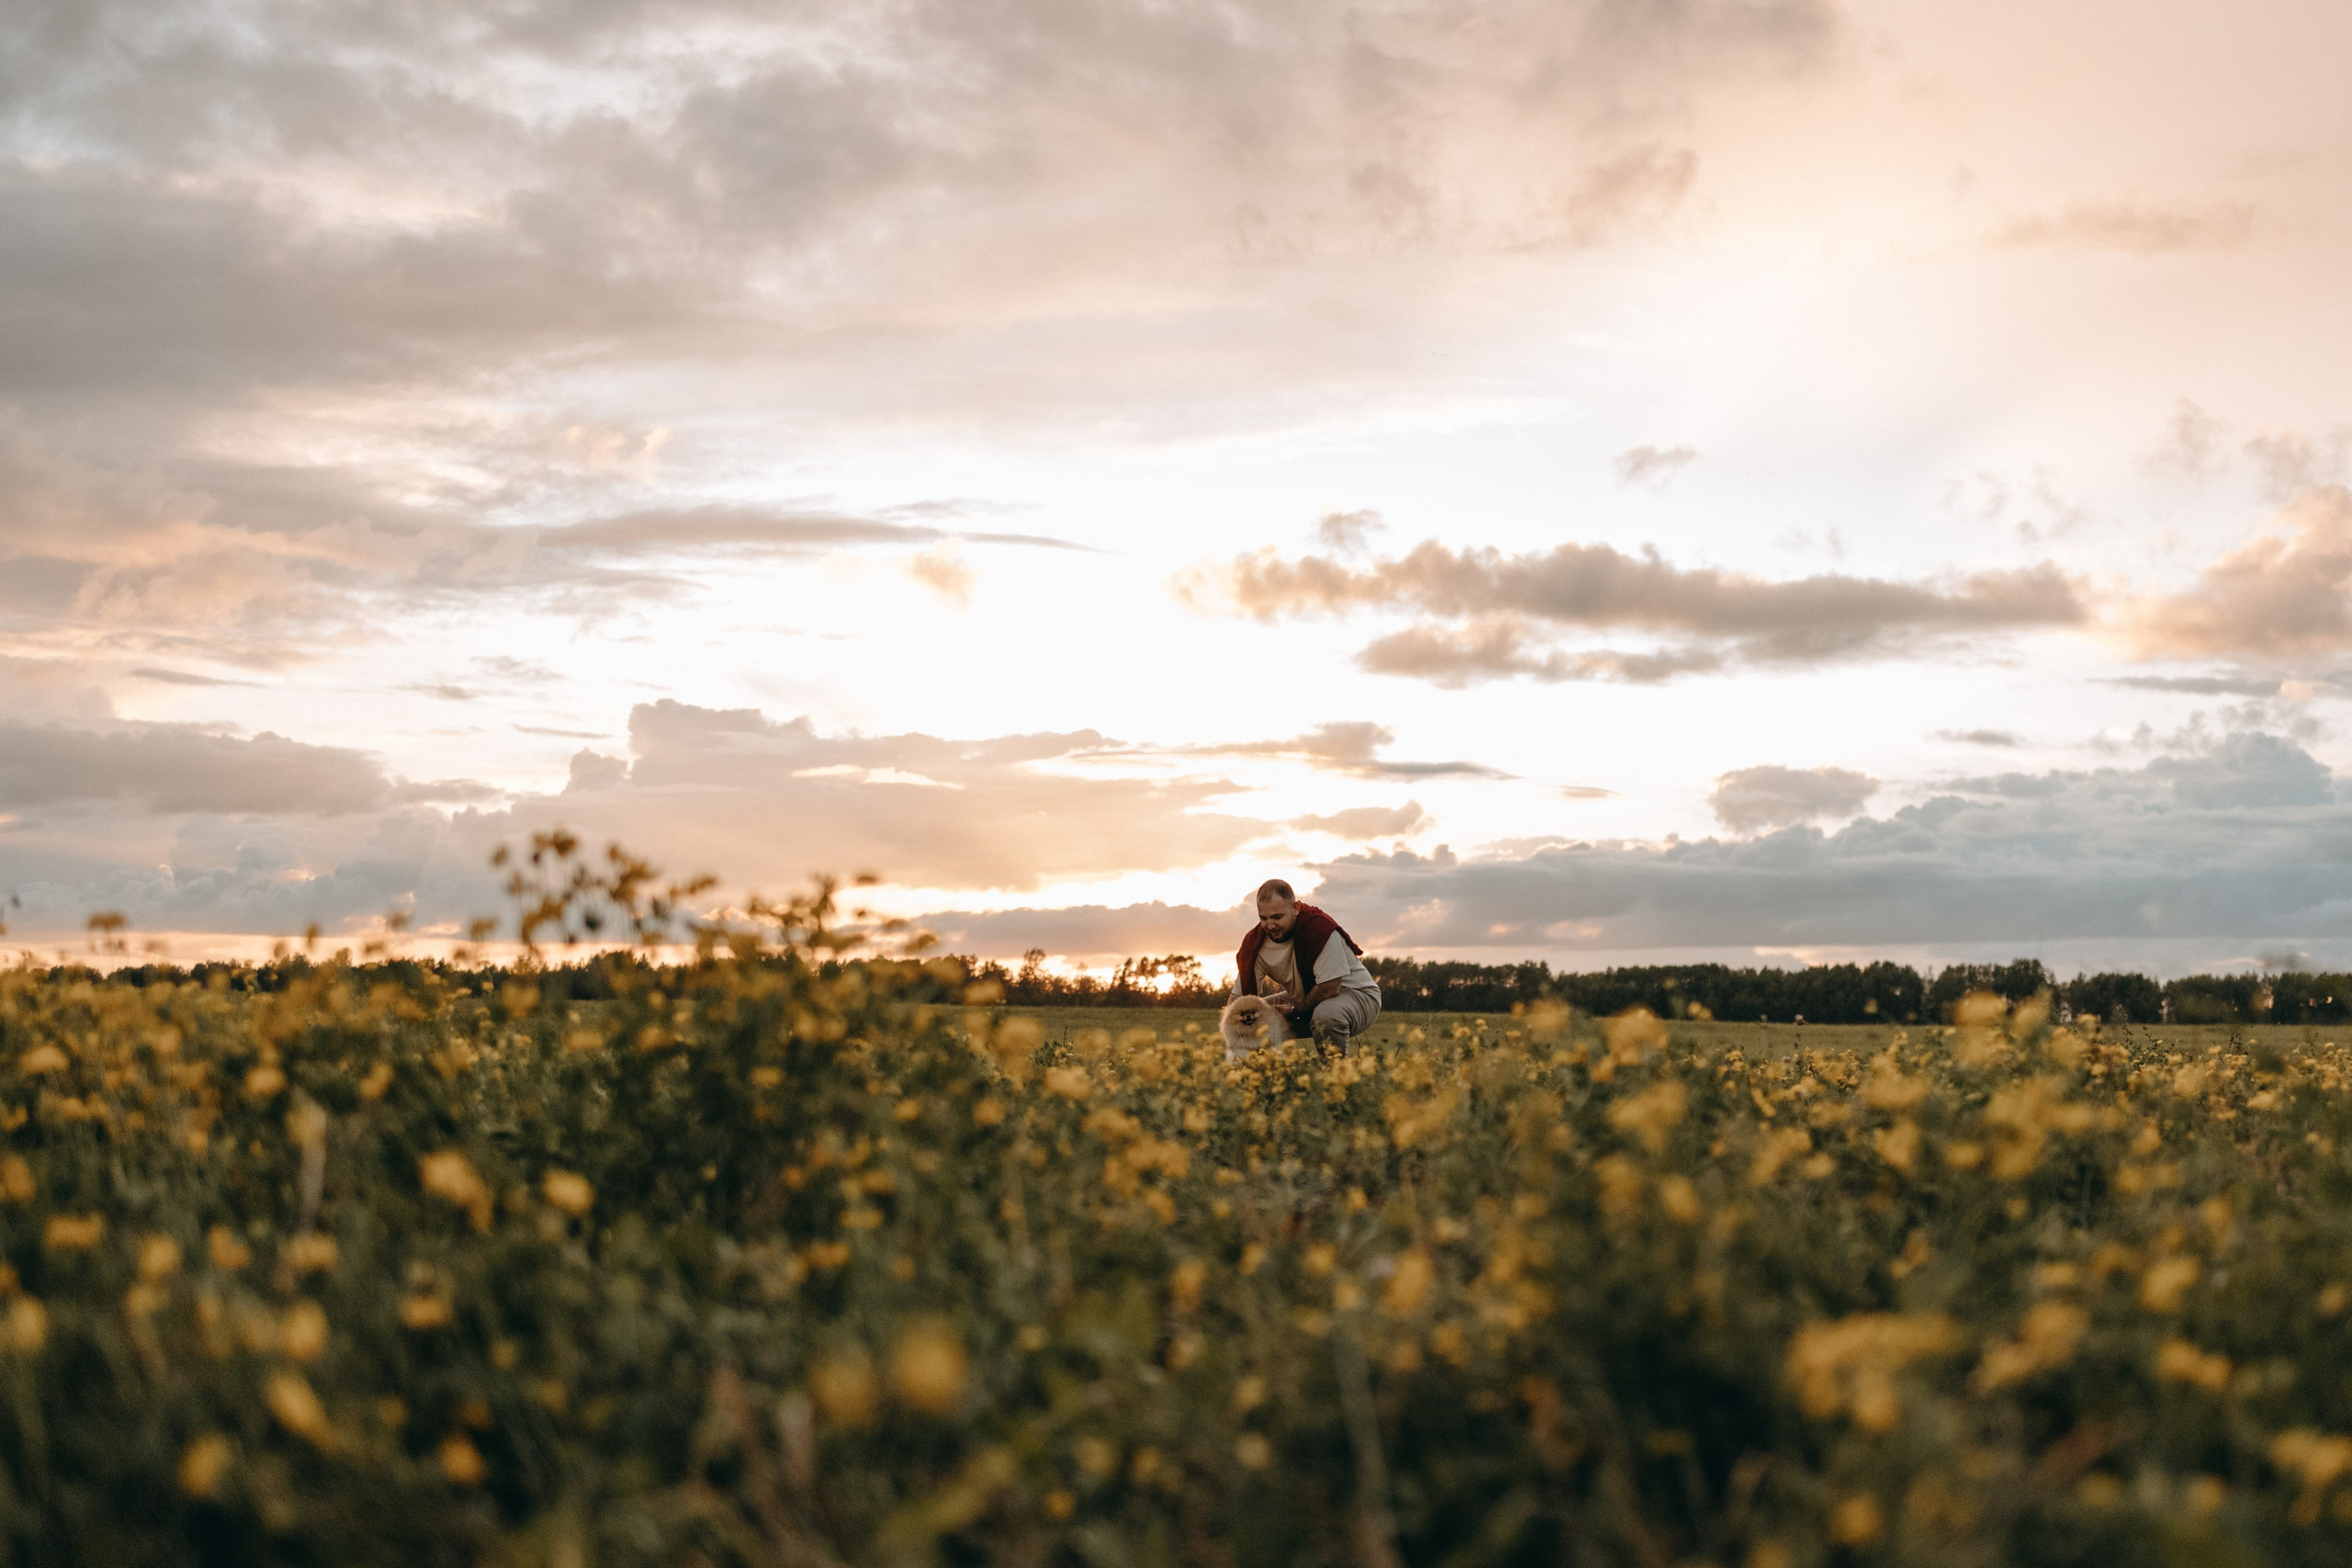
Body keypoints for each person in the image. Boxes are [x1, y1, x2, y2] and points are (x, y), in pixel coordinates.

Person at [1230, 878, 1381, 1053]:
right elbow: (1237, 1002)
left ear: (1296, 909)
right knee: (1252, 1018)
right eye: (1263, 918)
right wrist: (1235, 1027)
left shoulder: (1320, 929)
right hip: (1305, 995)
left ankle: (1335, 1075)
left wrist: (1294, 1010)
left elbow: (1330, 988)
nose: (1270, 925)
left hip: (1357, 995)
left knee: (1326, 1017)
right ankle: (1266, 1074)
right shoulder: (1255, 944)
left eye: (1277, 917)